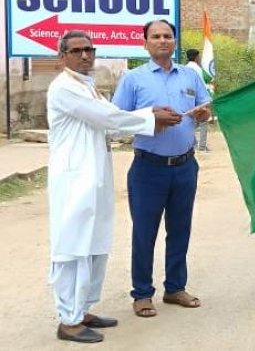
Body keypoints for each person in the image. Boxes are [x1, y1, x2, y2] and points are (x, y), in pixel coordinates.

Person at [46, 31, 180, 343]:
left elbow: (109, 123)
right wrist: (150, 117)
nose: (85, 56)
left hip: (95, 177)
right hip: (73, 180)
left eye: (89, 50)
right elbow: (108, 118)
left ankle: (82, 309)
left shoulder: (88, 87)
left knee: (95, 244)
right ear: (61, 56)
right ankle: (68, 319)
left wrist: (151, 119)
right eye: (77, 50)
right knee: (72, 249)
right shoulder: (64, 88)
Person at [113, 19, 212, 318]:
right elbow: (117, 119)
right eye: (155, 36)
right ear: (145, 43)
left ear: (175, 41)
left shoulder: (190, 76)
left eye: (168, 36)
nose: (162, 41)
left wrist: (204, 113)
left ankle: (175, 287)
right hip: (148, 169)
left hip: (184, 166)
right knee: (145, 233)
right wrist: (150, 117)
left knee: (180, 229)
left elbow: (205, 111)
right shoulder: (133, 79)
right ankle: (142, 293)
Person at [184, 48, 212, 152]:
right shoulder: (197, 69)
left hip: (188, 97)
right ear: (196, 57)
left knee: (190, 120)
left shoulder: (184, 68)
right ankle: (202, 146)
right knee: (203, 121)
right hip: (198, 97)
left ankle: (192, 144)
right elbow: (201, 86)